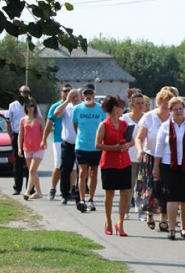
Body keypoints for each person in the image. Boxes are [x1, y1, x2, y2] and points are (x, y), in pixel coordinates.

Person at [153, 96, 185, 240]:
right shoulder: (165, 126)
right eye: (175, 109)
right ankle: (172, 228)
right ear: (170, 111)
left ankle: (184, 227)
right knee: (172, 196)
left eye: (181, 109)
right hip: (169, 165)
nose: (179, 111)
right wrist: (156, 166)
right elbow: (159, 147)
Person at [136, 88, 175, 231]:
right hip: (150, 156)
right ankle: (150, 214)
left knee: (165, 188)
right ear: (157, 102)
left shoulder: (173, 118)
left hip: (167, 158)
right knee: (150, 187)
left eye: (168, 102)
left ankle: (164, 219)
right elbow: (139, 138)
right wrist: (140, 150)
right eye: (163, 102)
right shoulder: (149, 117)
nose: (165, 105)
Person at [95, 95, 133, 237]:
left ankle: (120, 223)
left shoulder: (124, 124)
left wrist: (127, 144)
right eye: (119, 106)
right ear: (113, 108)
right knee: (109, 194)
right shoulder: (104, 125)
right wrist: (114, 147)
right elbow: (97, 144)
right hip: (109, 163)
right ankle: (108, 221)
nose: (122, 109)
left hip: (124, 162)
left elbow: (132, 141)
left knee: (124, 193)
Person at [72, 84, 107, 213]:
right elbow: (75, 125)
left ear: (94, 94)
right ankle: (82, 199)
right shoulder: (77, 109)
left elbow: (104, 126)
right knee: (82, 173)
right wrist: (81, 137)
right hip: (81, 146)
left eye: (90, 93)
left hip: (96, 147)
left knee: (94, 173)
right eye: (85, 94)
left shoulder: (100, 109)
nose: (88, 96)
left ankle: (91, 199)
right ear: (82, 95)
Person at [42, 84, 70, 200]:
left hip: (71, 139)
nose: (67, 93)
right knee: (58, 165)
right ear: (61, 93)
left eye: (69, 91)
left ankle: (71, 189)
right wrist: (44, 139)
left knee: (73, 168)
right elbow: (48, 124)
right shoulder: (55, 106)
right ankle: (53, 188)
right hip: (58, 139)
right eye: (65, 91)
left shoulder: (74, 106)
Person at [53, 88, 82, 204]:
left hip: (81, 144)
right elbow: (56, 114)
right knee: (65, 169)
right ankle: (64, 194)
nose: (75, 98)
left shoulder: (82, 108)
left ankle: (79, 194)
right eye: (72, 96)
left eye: (76, 96)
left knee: (82, 170)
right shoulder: (66, 107)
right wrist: (66, 101)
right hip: (68, 143)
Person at [122, 92, 145, 219]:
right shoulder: (124, 119)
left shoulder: (147, 118)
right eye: (138, 103)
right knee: (129, 185)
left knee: (143, 185)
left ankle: (142, 211)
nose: (141, 106)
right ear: (131, 104)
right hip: (129, 157)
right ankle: (125, 210)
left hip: (144, 156)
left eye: (142, 103)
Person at [17, 97, 45, 200]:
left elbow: (44, 132)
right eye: (28, 106)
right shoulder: (23, 120)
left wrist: (44, 141)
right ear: (25, 107)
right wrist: (19, 148)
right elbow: (20, 135)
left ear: (35, 107)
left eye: (32, 106)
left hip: (38, 147)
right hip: (27, 148)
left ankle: (27, 191)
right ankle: (39, 192)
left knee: (32, 170)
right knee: (32, 171)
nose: (30, 108)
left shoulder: (39, 119)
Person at [6, 85, 31, 195]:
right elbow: (8, 121)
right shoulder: (13, 105)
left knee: (30, 162)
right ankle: (17, 187)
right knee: (18, 163)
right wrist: (11, 136)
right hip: (17, 135)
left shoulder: (32, 104)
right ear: (19, 92)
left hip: (30, 136)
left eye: (27, 92)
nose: (25, 94)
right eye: (23, 91)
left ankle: (30, 188)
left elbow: (39, 118)